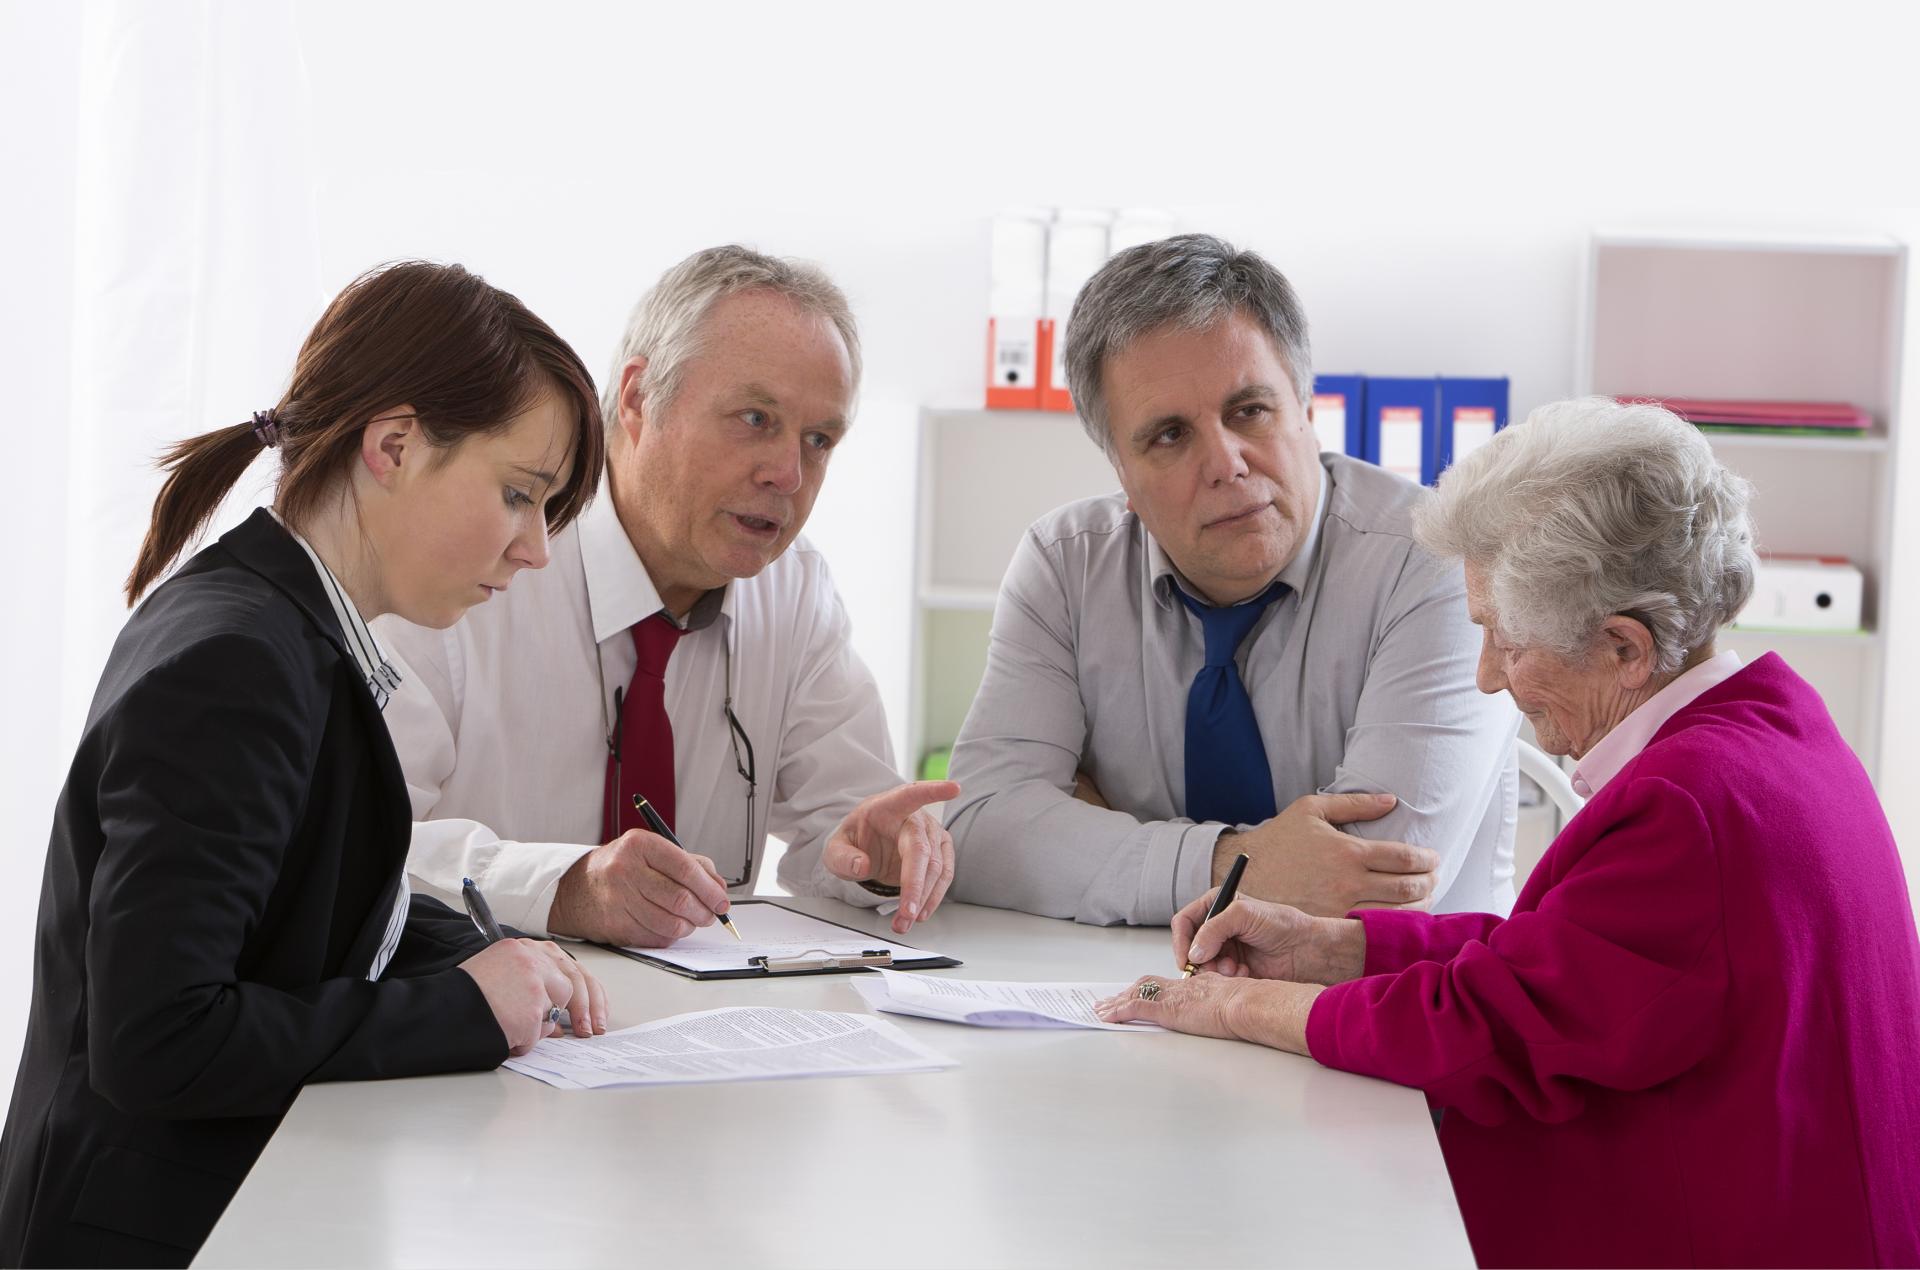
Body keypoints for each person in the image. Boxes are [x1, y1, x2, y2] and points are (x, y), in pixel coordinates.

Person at [1097, 398, 1920, 1267]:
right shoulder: (1770, 724)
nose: (1489, 679)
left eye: (1504, 640)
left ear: (1624, 650)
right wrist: (1332, 948)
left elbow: (1485, 1028)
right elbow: (1575, 968)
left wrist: (1227, 1004)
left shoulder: (1691, 803)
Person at [0, 261, 613, 1267]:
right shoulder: (238, 661)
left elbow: (296, 886)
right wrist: (463, 1009)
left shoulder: (281, 624)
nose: (535, 551)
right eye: (519, 495)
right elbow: (160, 1040)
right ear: (394, 445)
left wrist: (475, 952)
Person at [376, 245, 955, 949]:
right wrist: (561, 888)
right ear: (637, 398)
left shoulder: (794, 591)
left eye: (819, 439)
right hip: (481, 1015)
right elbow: (362, 847)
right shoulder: (471, 563)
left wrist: (881, 859)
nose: (788, 474)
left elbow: (847, 826)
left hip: (696, 1034)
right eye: (755, 418)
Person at [946, 234, 1519, 926]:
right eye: (1169, 435)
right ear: (1121, 475)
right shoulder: (1065, 565)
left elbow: (1377, 881)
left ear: (1307, 410)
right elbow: (979, 830)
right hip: (1119, 996)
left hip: (1385, 1011)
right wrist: (1231, 863)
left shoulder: (1434, 557)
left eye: (1249, 410)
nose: (1226, 463)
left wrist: (1095, 841)